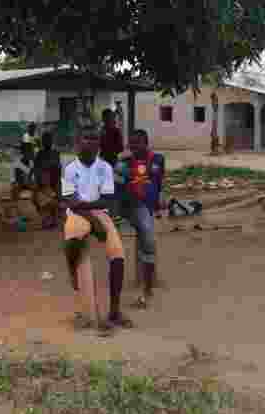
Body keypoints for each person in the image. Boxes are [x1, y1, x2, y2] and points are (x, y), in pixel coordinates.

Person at [61, 126, 132, 335]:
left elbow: (108, 200)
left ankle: (115, 310)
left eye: (94, 139)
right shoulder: (70, 169)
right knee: (74, 238)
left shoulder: (105, 168)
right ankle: (71, 266)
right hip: (78, 214)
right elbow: (71, 203)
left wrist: (93, 213)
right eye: (86, 138)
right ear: (77, 142)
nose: (90, 142)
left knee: (118, 256)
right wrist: (92, 219)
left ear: (99, 144)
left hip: (97, 212)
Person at [117, 130, 166, 308]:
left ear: (146, 142)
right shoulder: (124, 163)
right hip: (130, 206)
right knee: (145, 239)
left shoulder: (157, 160)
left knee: (148, 240)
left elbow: (158, 181)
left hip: (145, 206)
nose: (134, 147)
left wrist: (159, 197)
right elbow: (119, 182)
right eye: (131, 144)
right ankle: (143, 288)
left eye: (137, 143)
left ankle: (147, 289)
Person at [33, 131, 62, 228]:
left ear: (51, 141)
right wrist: (39, 183)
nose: (47, 142)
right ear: (42, 142)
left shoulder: (55, 153)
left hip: (54, 182)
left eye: (49, 140)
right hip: (42, 182)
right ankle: (46, 218)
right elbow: (36, 170)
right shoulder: (39, 154)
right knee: (37, 197)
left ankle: (53, 218)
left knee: (56, 196)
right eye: (45, 140)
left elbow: (58, 169)